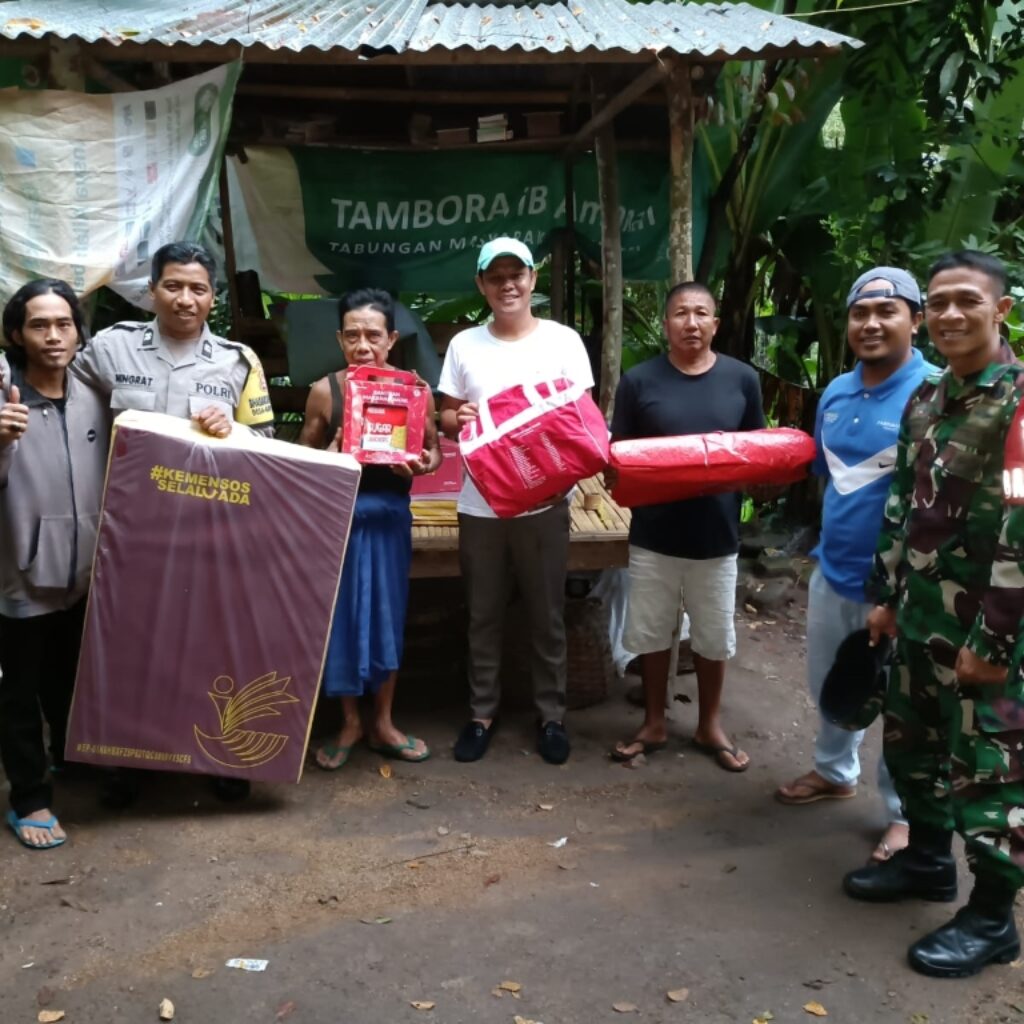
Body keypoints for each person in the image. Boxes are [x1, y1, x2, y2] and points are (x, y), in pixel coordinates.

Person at [843, 251, 1024, 979]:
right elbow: (903, 508)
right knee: (912, 749)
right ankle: (925, 862)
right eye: (940, 301)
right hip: (921, 620)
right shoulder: (929, 398)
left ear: (1001, 310)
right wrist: (884, 598)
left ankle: (991, 920)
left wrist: (998, 640)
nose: (949, 315)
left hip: (989, 631)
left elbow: (1023, 529)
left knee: (989, 775)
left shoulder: (1015, 402)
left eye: (965, 302)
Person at [72, 240, 275, 804]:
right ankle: (125, 760)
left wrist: (231, 430)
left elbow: (266, 442)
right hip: (128, 531)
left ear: (213, 297)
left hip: (210, 529)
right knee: (130, 643)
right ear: (152, 291)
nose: (185, 299)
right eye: (173, 286)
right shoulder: (110, 351)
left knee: (212, 643)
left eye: (198, 288)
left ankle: (221, 757)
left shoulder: (238, 361)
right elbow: (62, 405)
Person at [775, 268, 935, 863]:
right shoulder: (836, 393)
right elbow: (832, 482)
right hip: (834, 571)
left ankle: (903, 815)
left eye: (886, 311)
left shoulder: (936, 393)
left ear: (914, 320)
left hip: (902, 586)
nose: (870, 323)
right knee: (831, 685)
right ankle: (834, 772)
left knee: (898, 701)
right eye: (859, 313)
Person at [438, 237, 594, 764]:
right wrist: (453, 420)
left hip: (546, 503)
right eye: (496, 276)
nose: (508, 284)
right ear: (481, 285)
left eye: (517, 274)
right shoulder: (464, 345)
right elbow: (445, 415)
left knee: (547, 613)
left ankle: (551, 716)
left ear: (532, 280)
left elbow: (583, 420)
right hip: (479, 503)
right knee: (482, 613)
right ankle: (482, 714)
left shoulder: (563, 341)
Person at [609, 282, 764, 772]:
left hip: (717, 535)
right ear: (666, 322)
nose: (691, 323)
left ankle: (709, 724)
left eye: (701, 314)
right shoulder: (638, 381)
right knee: (653, 633)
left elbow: (757, 451)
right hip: (654, 534)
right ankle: (654, 721)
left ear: (715, 324)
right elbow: (620, 457)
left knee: (714, 636)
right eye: (680, 313)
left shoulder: (742, 379)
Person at [300, 288, 440, 769]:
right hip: (338, 523)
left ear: (392, 338)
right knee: (341, 622)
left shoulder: (414, 391)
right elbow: (300, 461)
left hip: (388, 521)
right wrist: (330, 459)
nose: (363, 345)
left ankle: (382, 721)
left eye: (373, 335)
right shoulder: (326, 391)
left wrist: (421, 464)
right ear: (340, 339)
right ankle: (350, 722)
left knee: (385, 617)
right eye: (353, 335)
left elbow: (433, 452)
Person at [0, 280, 109, 848]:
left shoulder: (94, 394)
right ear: (16, 333)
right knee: (17, 694)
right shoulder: (3, 397)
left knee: (69, 677)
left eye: (63, 323)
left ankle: (72, 759)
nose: (53, 336)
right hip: (17, 577)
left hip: (84, 575)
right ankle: (29, 799)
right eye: (39, 325)